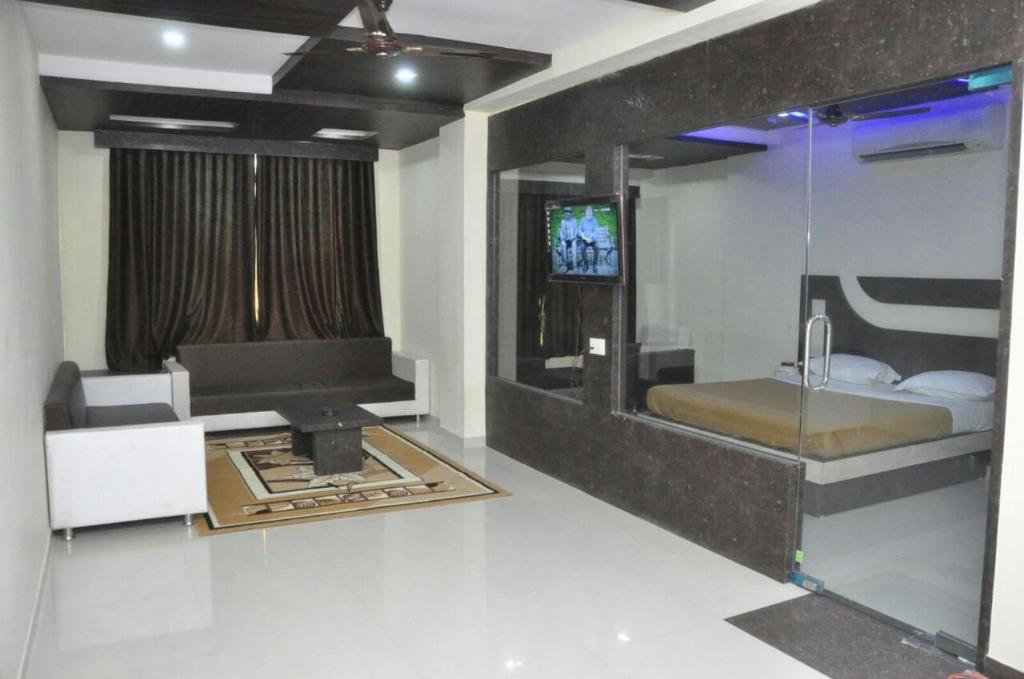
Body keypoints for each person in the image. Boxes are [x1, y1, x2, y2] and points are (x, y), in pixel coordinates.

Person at [578, 205, 600, 273]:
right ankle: (586, 264)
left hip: (592, 239)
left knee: (597, 247)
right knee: (582, 247)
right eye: (588, 212)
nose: (589, 213)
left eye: (590, 212)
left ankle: (594, 265)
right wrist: (584, 237)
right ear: (586, 212)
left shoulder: (594, 220)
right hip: (584, 239)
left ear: (592, 213)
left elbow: (595, 231)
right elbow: (579, 230)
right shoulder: (582, 220)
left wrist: (591, 238)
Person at [559, 207, 579, 272]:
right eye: (566, 213)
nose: (567, 214)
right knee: (563, 244)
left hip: (572, 239)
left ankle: (575, 266)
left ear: (571, 214)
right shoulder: (562, 222)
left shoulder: (574, 221)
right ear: (564, 214)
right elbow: (561, 232)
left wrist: (573, 237)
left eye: (568, 212)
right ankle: (565, 265)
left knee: (574, 245)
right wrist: (562, 238)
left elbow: (576, 231)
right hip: (565, 239)